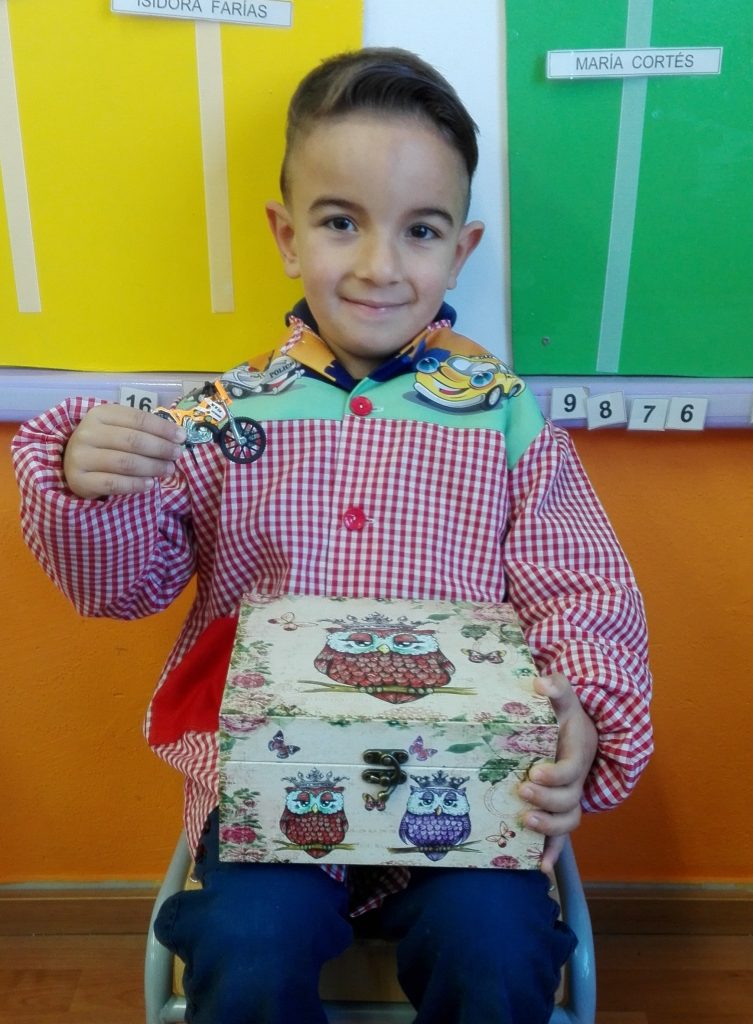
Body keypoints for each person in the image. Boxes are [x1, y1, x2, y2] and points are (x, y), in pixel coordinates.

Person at [12, 47, 652, 1024]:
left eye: (420, 230)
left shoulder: (503, 417)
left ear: (461, 251)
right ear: (286, 234)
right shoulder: (226, 412)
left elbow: (582, 588)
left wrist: (587, 711)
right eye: (341, 221)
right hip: (269, 787)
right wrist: (87, 484)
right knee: (247, 944)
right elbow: (125, 584)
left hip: (460, 791)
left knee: (498, 946)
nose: (378, 266)